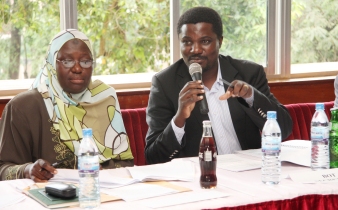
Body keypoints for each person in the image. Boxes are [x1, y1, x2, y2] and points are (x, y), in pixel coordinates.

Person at [145, 7, 293, 164]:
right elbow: (153, 158)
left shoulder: (248, 73)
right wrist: (179, 118)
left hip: (250, 172)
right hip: (200, 178)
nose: (195, 50)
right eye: (187, 42)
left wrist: (251, 97)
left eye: (205, 41)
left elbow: (283, 130)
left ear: (220, 41)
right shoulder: (165, 84)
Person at [0, 29, 134, 182]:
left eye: (85, 61)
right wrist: (27, 170)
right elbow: (3, 168)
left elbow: (126, 163)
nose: (77, 69)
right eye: (67, 61)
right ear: (51, 63)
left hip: (101, 194)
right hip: (46, 200)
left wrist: (103, 171)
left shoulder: (105, 99)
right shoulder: (22, 107)